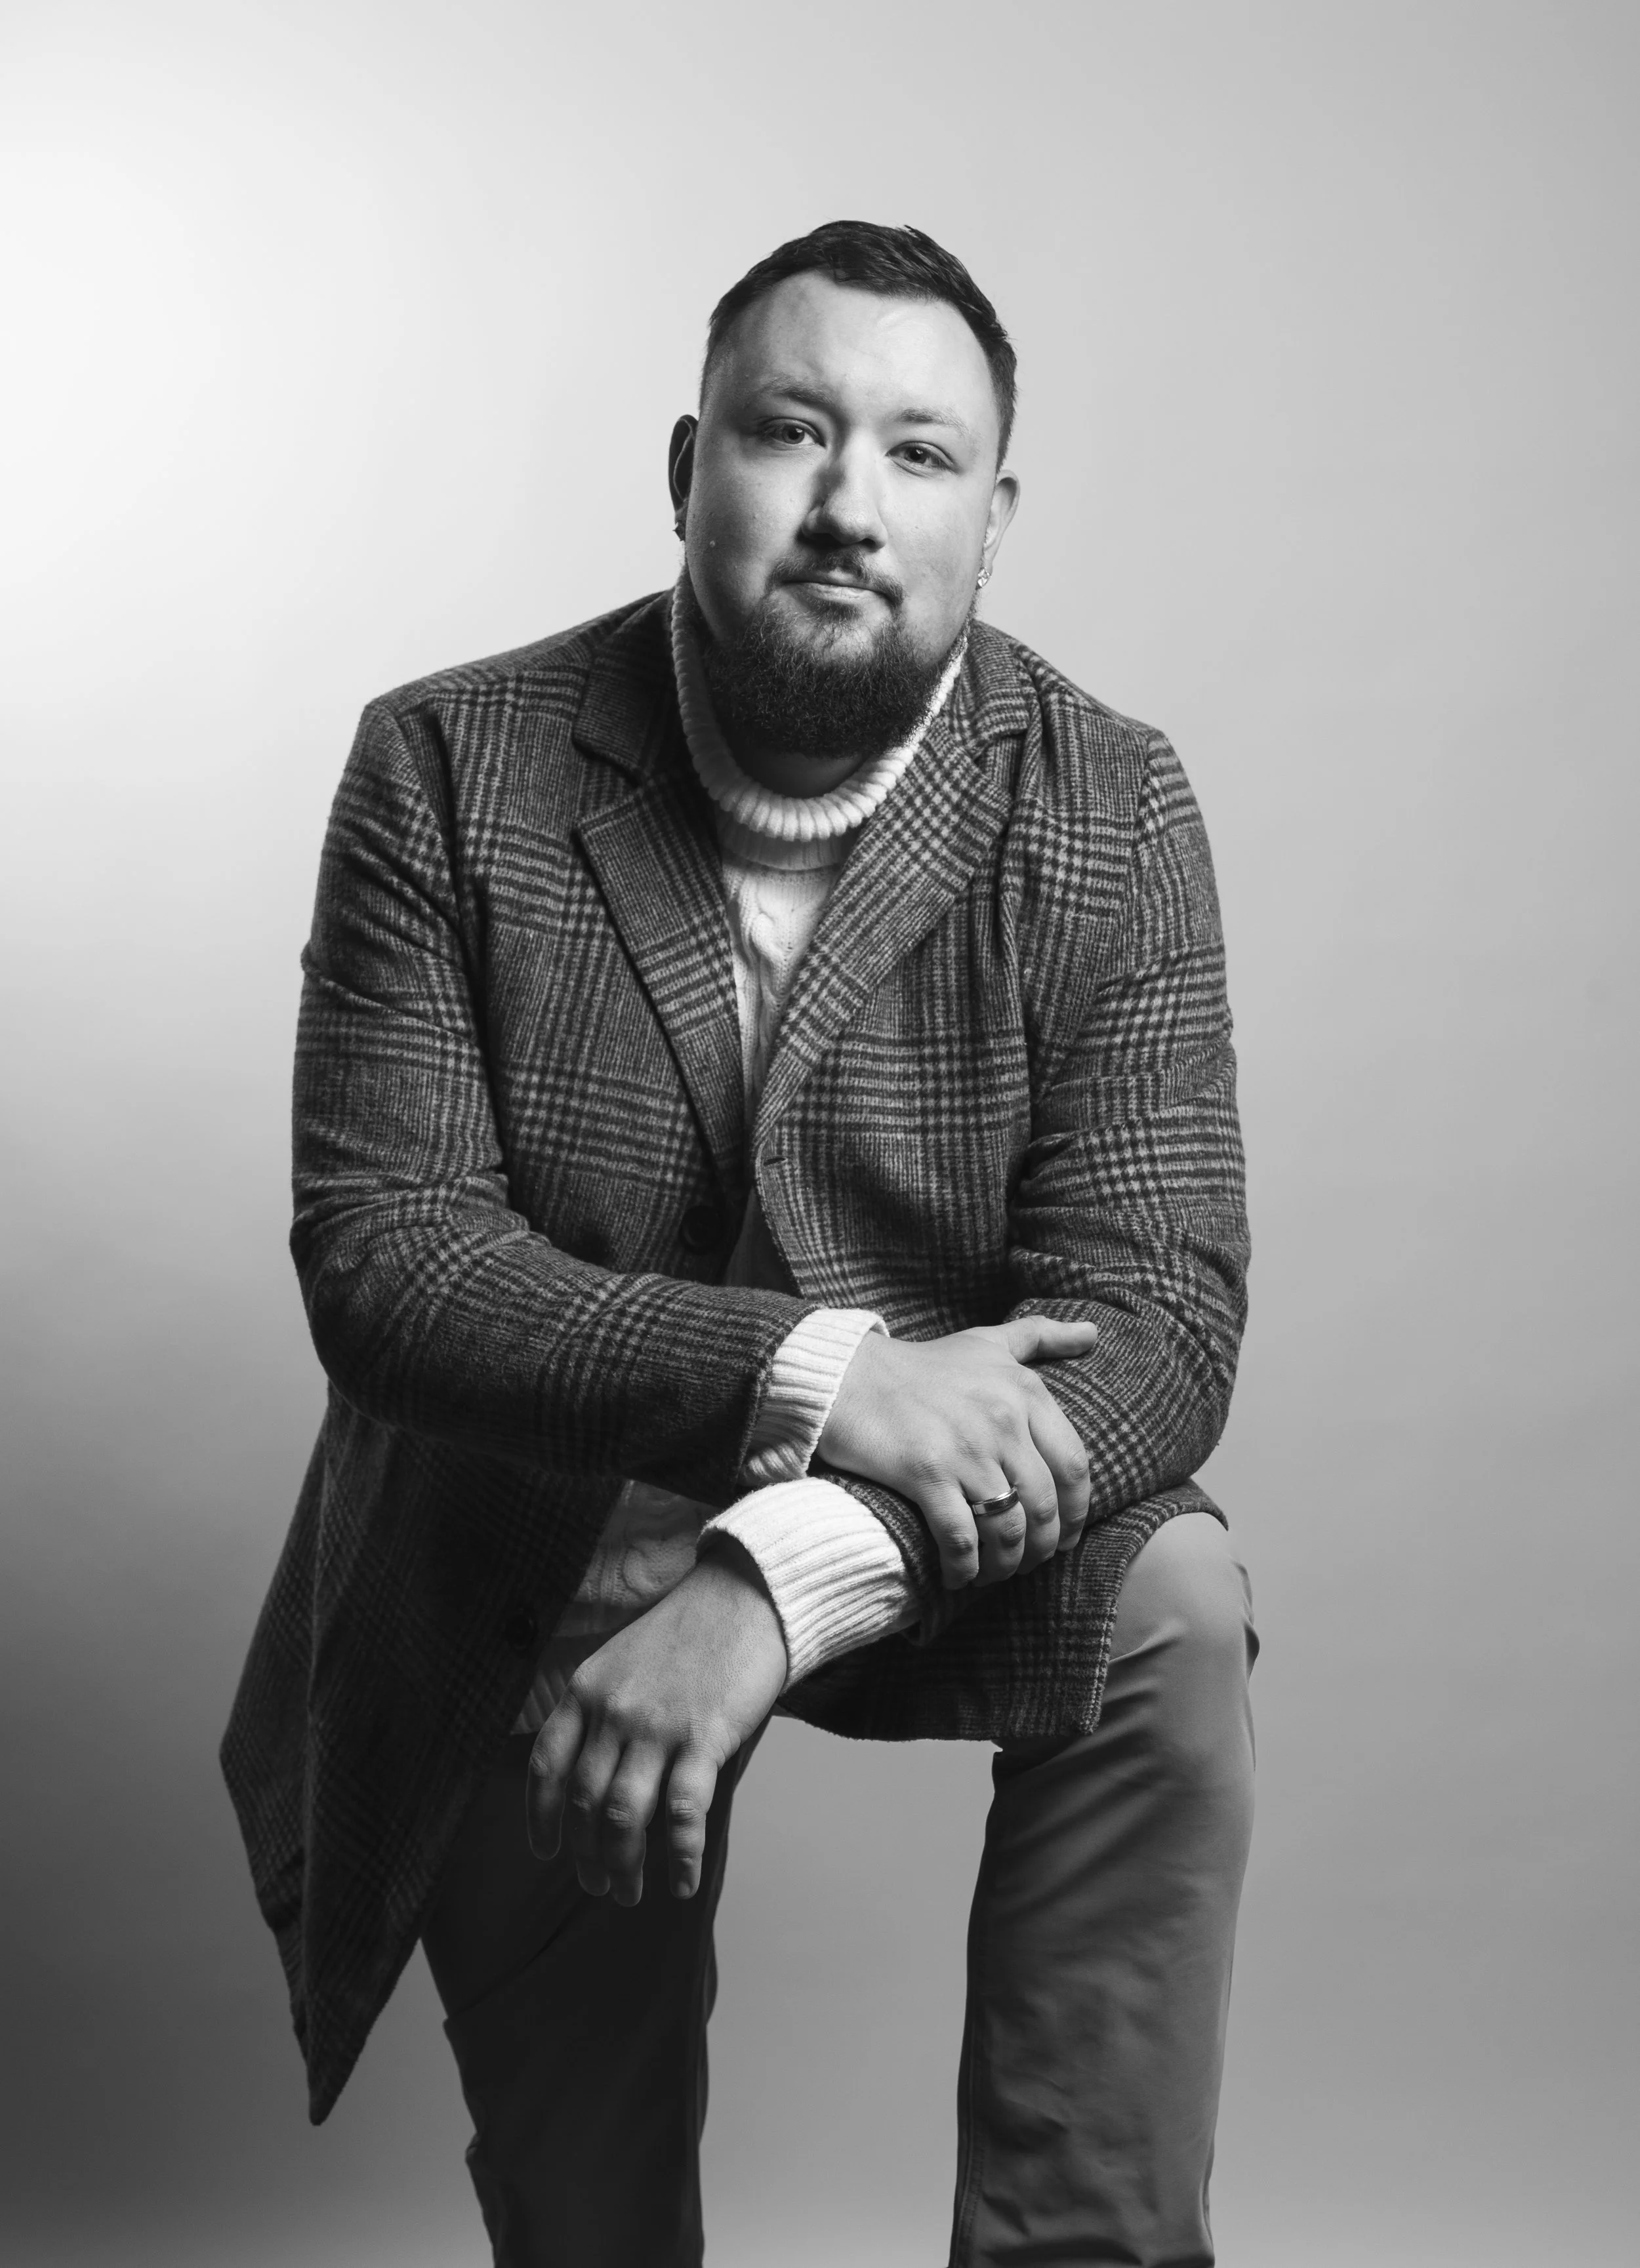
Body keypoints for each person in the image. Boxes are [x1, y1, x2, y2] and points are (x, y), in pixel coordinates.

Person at [222, 218, 1258, 2268]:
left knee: (1179, 1605)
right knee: (586, 2216)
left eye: (918, 454)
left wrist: (777, 1569)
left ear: (995, 511)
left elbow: (1155, 1323)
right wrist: (818, 1378)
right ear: (687, 460)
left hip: (924, 1519)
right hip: (538, 1524)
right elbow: (390, 1259)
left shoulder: (1109, 803)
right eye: (791, 434)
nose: (849, 506)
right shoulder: (449, 763)